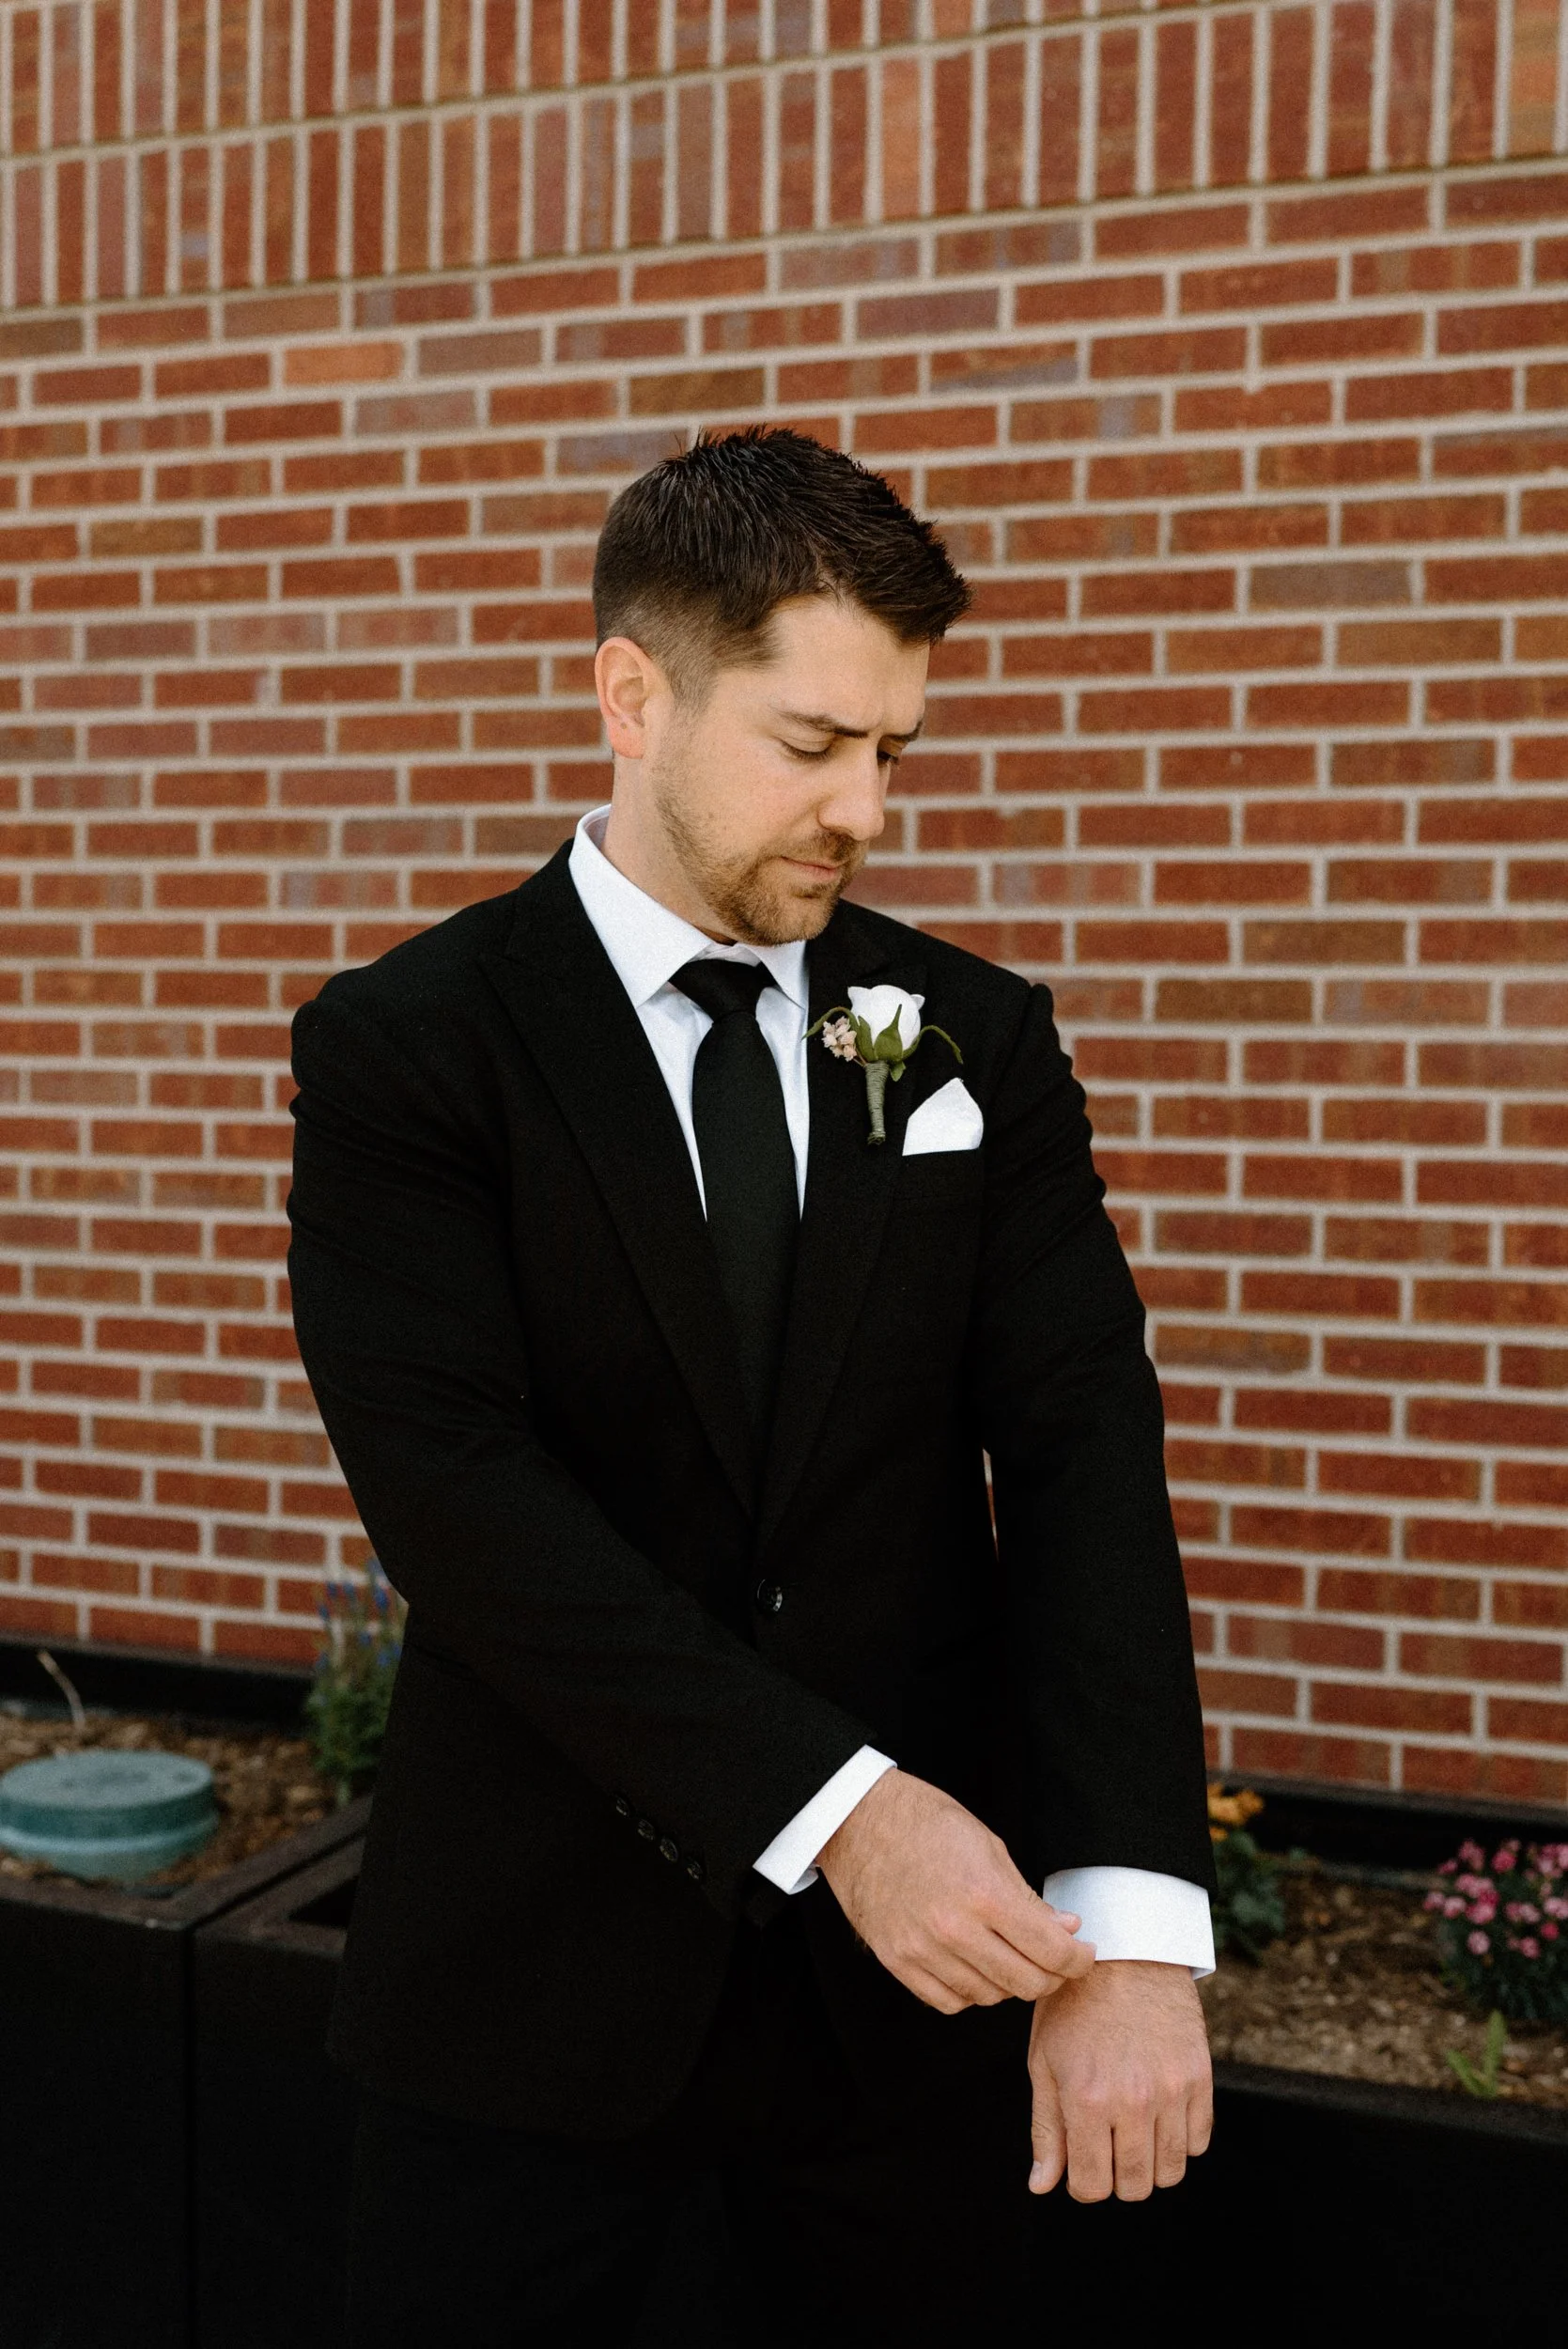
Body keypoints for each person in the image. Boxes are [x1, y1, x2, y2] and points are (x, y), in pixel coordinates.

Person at [287, 428, 1217, 2347]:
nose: (864, 808)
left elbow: (1083, 1458)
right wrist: (845, 1808)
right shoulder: (408, 1049)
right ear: (632, 694)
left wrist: (1132, 1934)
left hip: (913, 2038)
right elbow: (462, 1502)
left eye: (894, 753)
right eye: (813, 745)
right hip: (531, 2011)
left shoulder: (969, 1039)